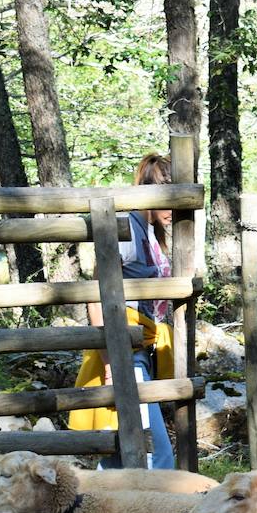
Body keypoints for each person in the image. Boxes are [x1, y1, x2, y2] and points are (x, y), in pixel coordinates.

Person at [69, 153, 176, 469]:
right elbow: (96, 295)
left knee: (122, 451)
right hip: (125, 352)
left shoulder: (148, 232)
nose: (173, 209)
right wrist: (110, 358)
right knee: (156, 453)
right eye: (168, 199)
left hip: (140, 350)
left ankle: (99, 511)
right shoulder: (128, 229)